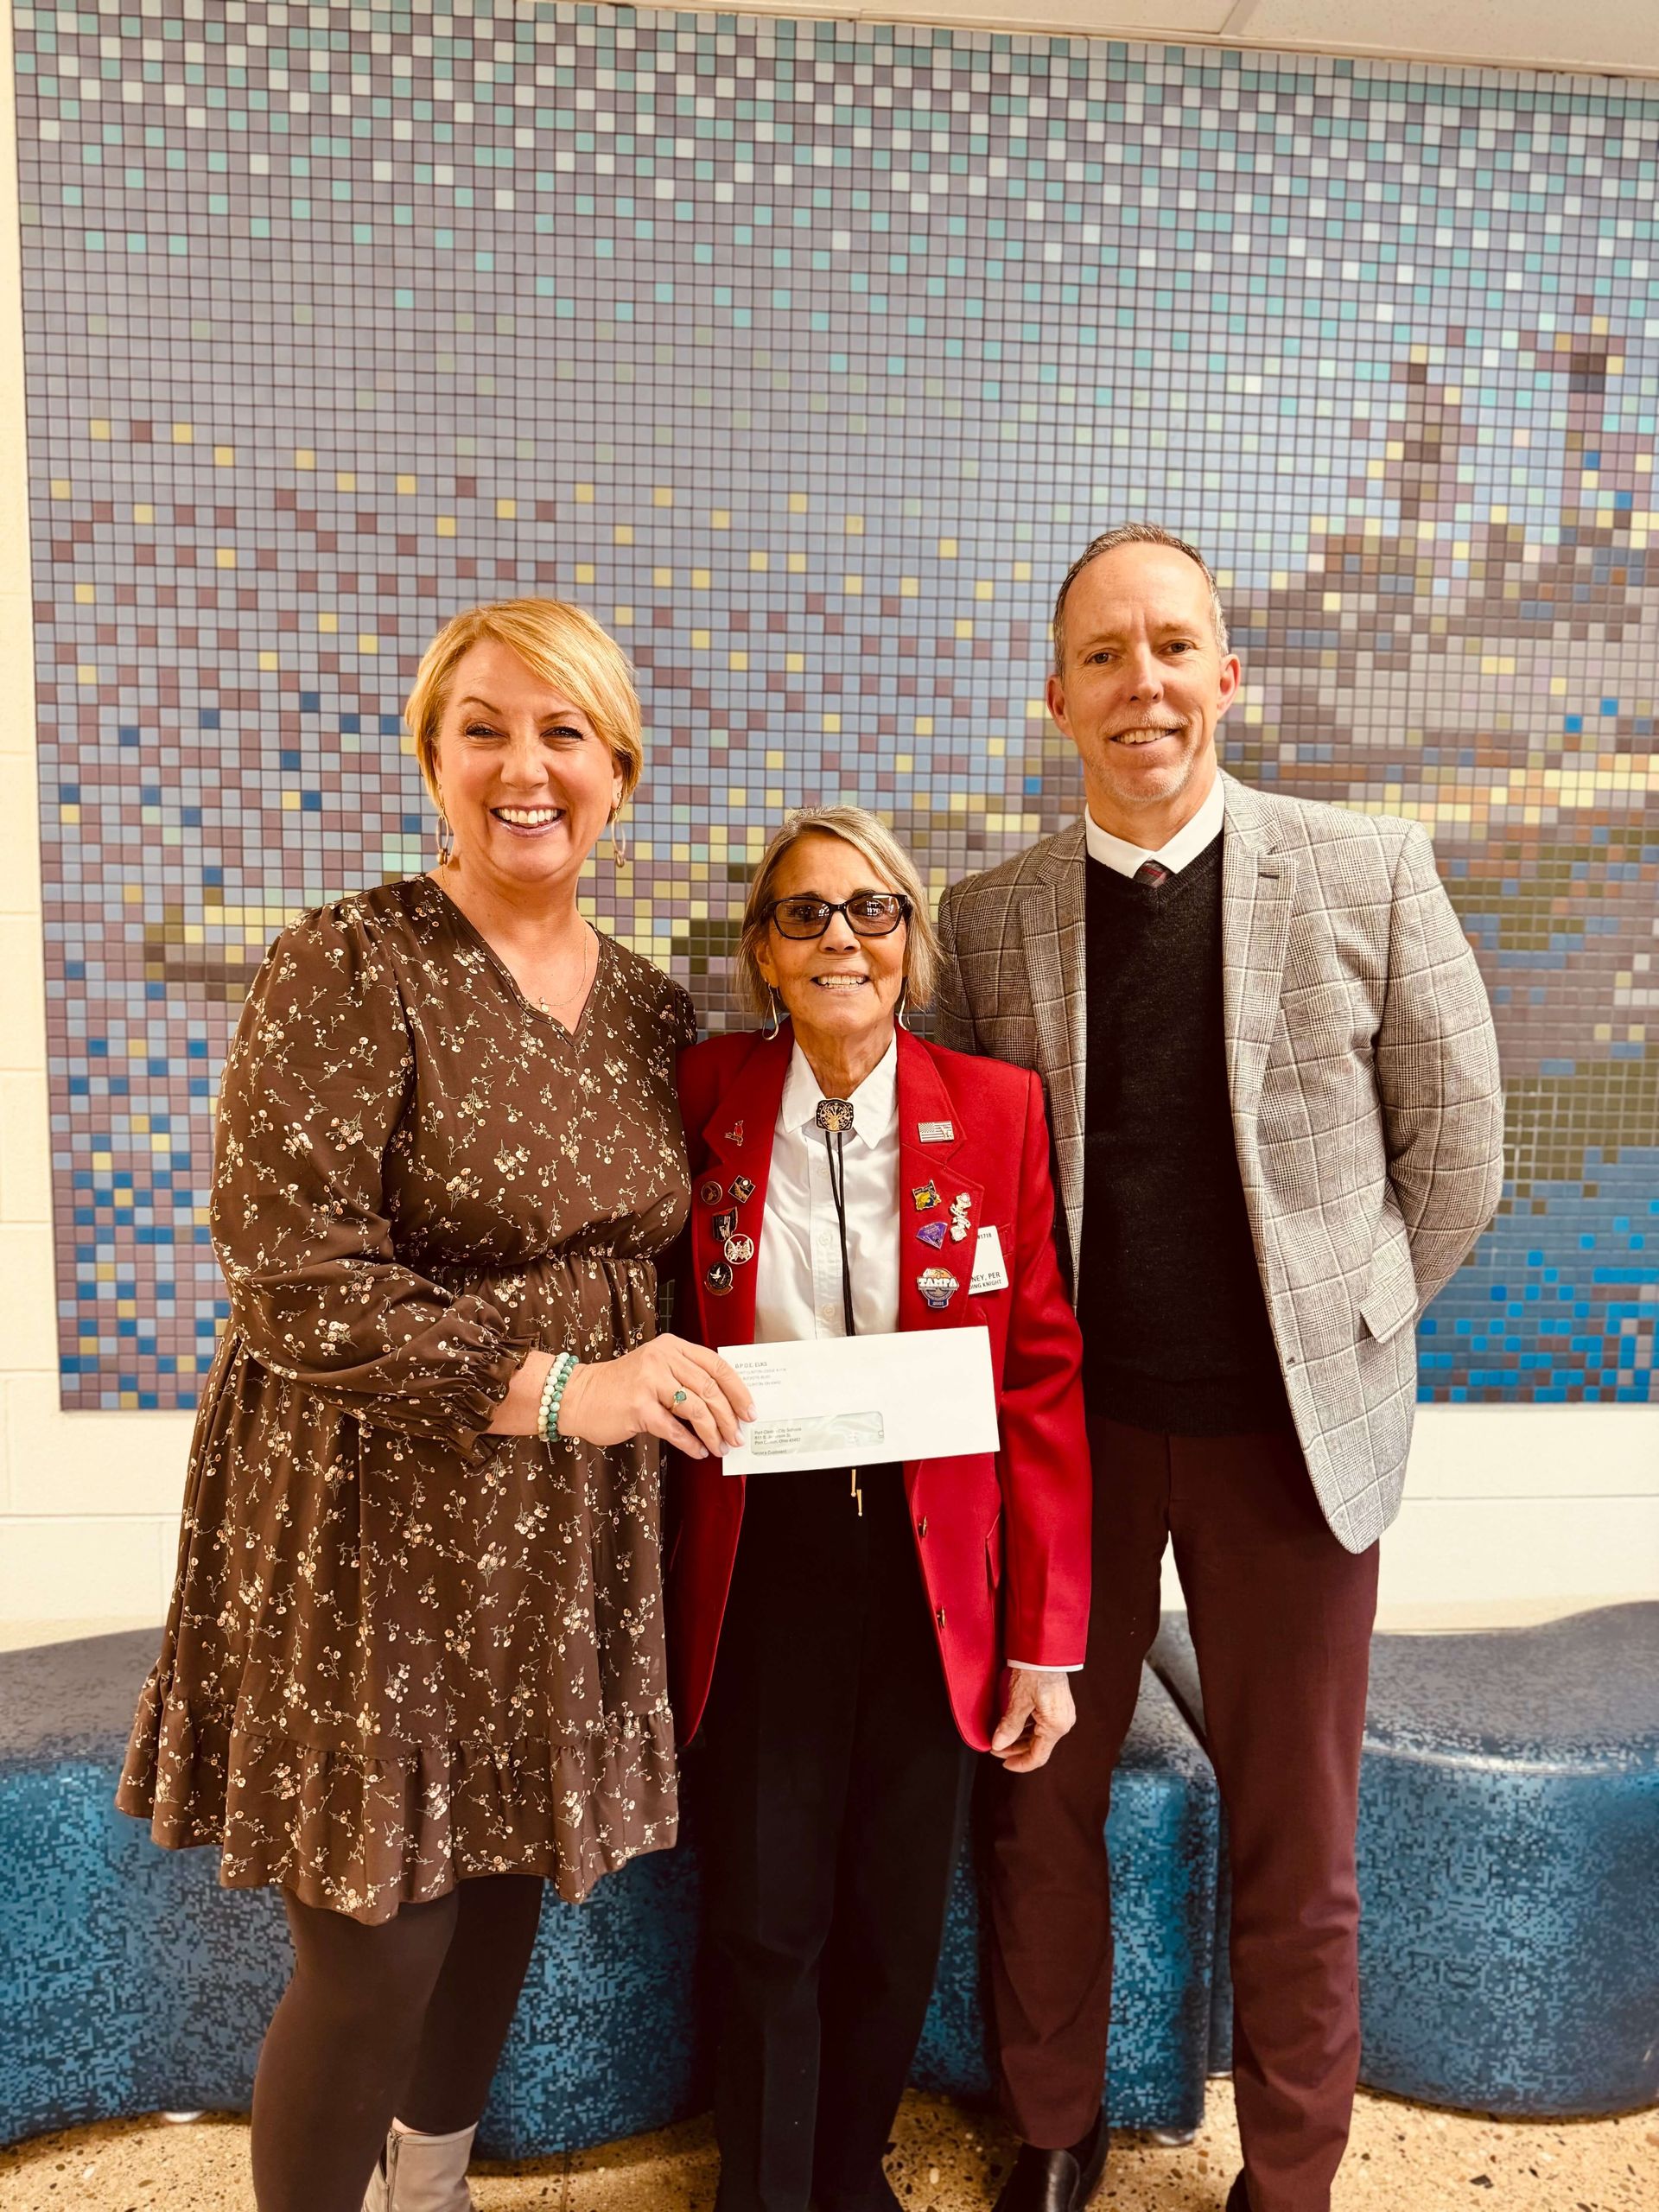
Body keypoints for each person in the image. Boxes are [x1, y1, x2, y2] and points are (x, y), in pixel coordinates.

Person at [117, 598, 753, 2212]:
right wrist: (564, 1387)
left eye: (563, 733)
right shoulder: (351, 963)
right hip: (373, 1523)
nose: (524, 768)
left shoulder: (651, 1008)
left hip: (561, 1533)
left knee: (509, 1876)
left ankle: (435, 2182)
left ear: (619, 772)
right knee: (377, 1946)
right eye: (484, 730)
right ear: (433, 762)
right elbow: (293, 1275)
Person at [936, 524, 1505, 2212]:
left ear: (1229, 673)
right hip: (1072, 1450)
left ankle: (1293, 2173)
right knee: (1037, 1803)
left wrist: (1349, 1323)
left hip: (1291, 1446)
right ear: (1056, 696)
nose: (1145, 683)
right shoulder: (988, 920)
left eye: (1174, 645)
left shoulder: (1367, 869)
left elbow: (1459, 1149)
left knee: (1296, 1833)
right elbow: (965, 1190)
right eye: (1104, 654)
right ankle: (1055, 2127)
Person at [666, 806, 1092, 2212]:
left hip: (934, 1570)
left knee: (897, 1917)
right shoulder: (705, 1093)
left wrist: (1045, 1639)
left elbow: (1041, 1383)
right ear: (765, 954)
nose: (841, 937)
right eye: (805, 914)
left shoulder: (998, 1108)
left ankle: (848, 2180)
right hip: (763, 1558)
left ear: (912, 940)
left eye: (873, 909)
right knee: (767, 1912)